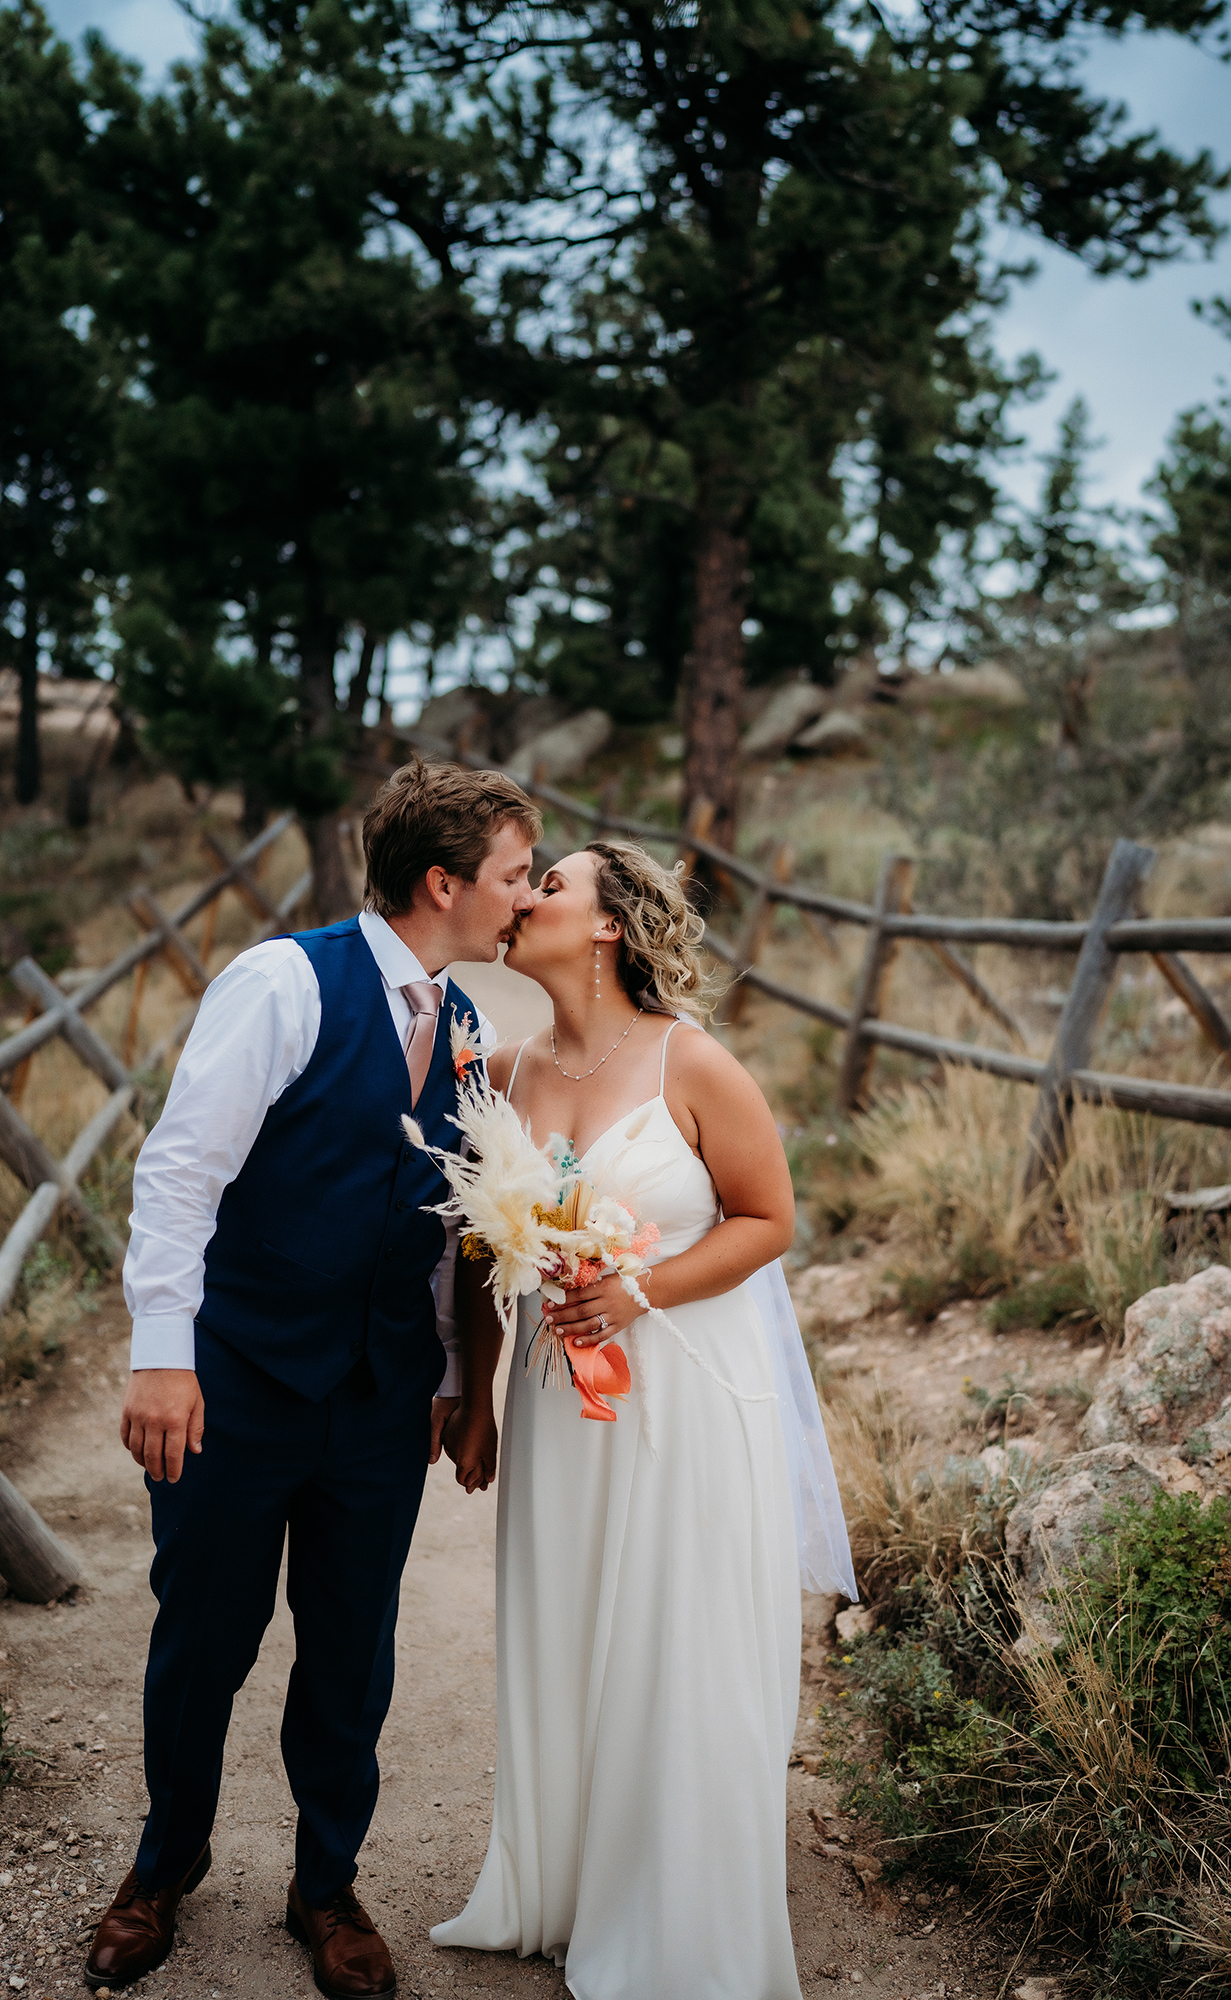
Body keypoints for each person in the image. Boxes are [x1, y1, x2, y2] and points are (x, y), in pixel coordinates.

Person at [85, 762, 541, 1999]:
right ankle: (161, 1867)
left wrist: (450, 1377)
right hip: (234, 1382)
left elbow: (448, 1225)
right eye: (512, 874)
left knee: (353, 1647)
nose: (526, 895)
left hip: (378, 1400)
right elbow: (180, 1174)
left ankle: (325, 1882)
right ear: (443, 880)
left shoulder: (465, 1028)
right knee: (205, 1638)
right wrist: (162, 1356)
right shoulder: (283, 982)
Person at [431, 838, 838, 2000]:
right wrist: (478, 1386)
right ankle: (559, 1884)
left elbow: (768, 1218)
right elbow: (477, 1247)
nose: (525, 899)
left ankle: (674, 1909)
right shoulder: (498, 1073)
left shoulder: (691, 1063)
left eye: (549, 884)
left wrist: (640, 1287)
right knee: (564, 1623)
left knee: (673, 1634)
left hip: (686, 1400)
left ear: (608, 924)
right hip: (563, 1404)